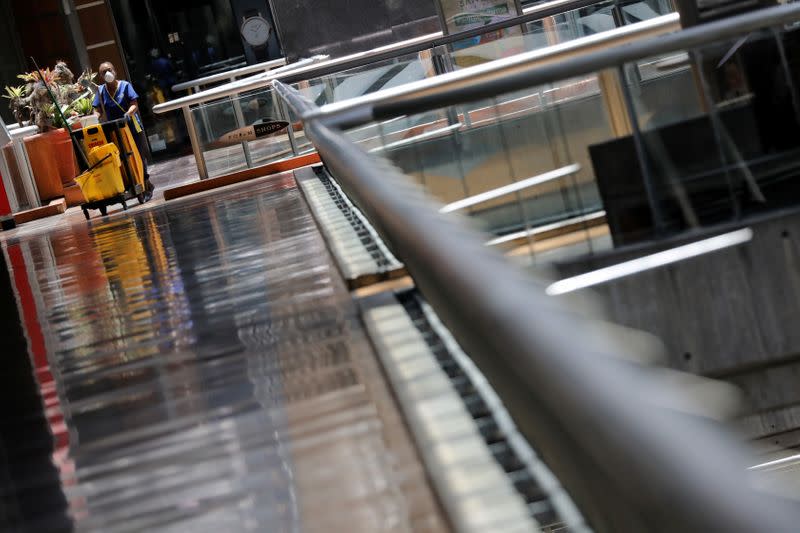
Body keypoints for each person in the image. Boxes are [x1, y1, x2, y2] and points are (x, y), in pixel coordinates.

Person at [92, 61, 154, 200]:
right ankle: (130, 184)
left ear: (115, 71)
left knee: (138, 154)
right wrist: (94, 118)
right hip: (115, 130)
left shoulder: (125, 86)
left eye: (109, 69)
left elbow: (134, 104)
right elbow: (97, 109)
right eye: (103, 72)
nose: (107, 73)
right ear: (101, 77)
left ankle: (146, 184)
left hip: (131, 126)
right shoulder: (101, 91)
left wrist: (128, 113)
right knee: (121, 158)